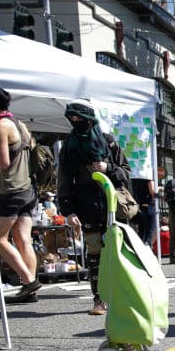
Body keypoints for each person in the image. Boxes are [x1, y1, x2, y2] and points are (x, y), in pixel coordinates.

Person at [57, 100, 132, 315]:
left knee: (119, 251)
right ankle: (99, 299)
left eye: (80, 119)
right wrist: (68, 210)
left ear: (89, 120)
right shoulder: (68, 147)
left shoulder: (108, 143)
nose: (75, 122)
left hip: (113, 204)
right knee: (95, 253)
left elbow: (126, 172)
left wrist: (108, 168)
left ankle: (122, 295)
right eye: (71, 119)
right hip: (85, 205)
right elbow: (64, 181)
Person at [0, 86, 42, 303]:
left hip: (12, 189)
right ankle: (30, 290)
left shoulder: (0, 125)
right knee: (23, 239)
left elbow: (4, 163)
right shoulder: (20, 123)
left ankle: (28, 281)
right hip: (28, 188)